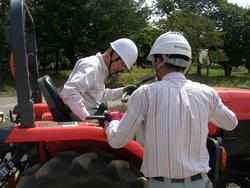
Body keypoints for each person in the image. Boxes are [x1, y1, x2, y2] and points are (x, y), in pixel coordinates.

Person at [105, 32, 238, 188]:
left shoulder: (145, 93)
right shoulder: (207, 93)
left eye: (154, 61)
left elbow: (116, 141)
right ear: (187, 63)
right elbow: (231, 123)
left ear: (159, 60)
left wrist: (113, 121)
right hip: (201, 183)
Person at [61, 38, 138, 121]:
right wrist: (88, 119)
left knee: (119, 118)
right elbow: (69, 92)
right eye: (121, 64)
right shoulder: (92, 66)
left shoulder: (100, 69)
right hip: (83, 120)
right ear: (113, 53)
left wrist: (123, 91)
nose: (120, 69)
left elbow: (100, 94)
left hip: (91, 115)